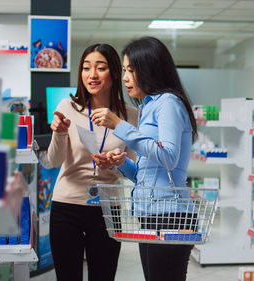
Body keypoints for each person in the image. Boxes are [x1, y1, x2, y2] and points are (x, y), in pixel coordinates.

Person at [90, 36, 198, 281]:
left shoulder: (168, 103)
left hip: (171, 213)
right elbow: (146, 171)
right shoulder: (149, 106)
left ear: (150, 69)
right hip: (150, 212)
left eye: (131, 70)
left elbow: (169, 156)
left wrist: (119, 125)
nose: (125, 77)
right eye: (124, 70)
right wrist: (122, 164)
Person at [46, 43, 139, 281]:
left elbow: (135, 172)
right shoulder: (68, 107)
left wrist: (117, 163)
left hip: (108, 209)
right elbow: (53, 160)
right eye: (86, 68)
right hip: (67, 206)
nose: (92, 74)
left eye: (100, 67)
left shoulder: (130, 116)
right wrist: (59, 133)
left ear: (115, 73)